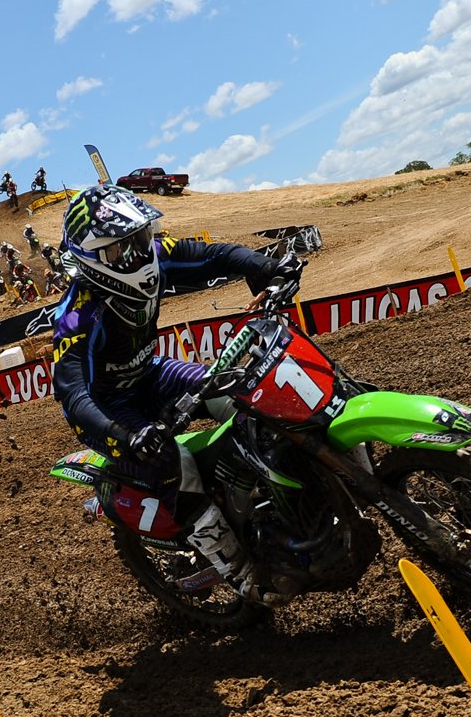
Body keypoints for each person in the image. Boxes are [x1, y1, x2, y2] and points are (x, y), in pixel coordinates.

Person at [51, 182, 304, 608]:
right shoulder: (77, 318)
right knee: (170, 459)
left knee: (243, 389)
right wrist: (126, 434)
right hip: (110, 410)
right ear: (92, 258)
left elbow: (212, 255)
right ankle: (241, 572)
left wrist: (262, 266)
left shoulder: (154, 252)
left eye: (139, 238)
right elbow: (76, 397)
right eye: (121, 248)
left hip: (151, 374)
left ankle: (267, 497)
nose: (136, 253)